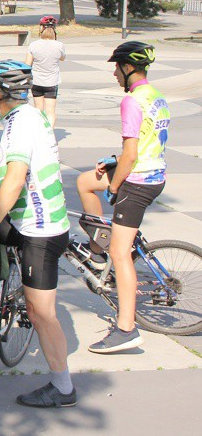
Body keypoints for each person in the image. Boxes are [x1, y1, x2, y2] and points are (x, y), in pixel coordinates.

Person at [0, 60, 75, 409]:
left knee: (41, 313)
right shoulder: (31, 115)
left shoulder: (18, 126)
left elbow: (15, 180)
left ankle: (63, 387)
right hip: (30, 221)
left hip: (40, 232)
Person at [76, 42, 168, 355]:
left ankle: (126, 328)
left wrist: (115, 185)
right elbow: (148, 140)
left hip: (138, 181)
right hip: (153, 171)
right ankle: (97, 251)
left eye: (117, 67)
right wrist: (114, 161)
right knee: (85, 182)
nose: (114, 73)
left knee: (121, 254)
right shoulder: (154, 95)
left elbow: (132, 153)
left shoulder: (131, 101)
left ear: (128, 68)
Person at [26, 16, 65, 128]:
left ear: (41, 28)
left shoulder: (34, 45)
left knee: (38, 110)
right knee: (50, 111)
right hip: (52, 82)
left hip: (37, 81)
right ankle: (49, 135)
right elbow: (62, 58)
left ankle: (39, 134)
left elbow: (27, 64)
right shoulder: (59, 45)